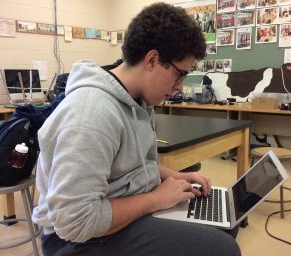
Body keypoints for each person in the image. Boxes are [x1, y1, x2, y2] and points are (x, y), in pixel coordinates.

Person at [32, 3, 241, 256]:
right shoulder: (90, 114)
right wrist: (156, 200)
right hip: (76, 241)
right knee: (222, 248)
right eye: (179, 74)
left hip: (117, 212)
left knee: (225, 224)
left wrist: (174, 176)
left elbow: (134, 165)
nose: (179, 87)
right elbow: (75, 223)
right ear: (152, 60)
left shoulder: (140, 101)